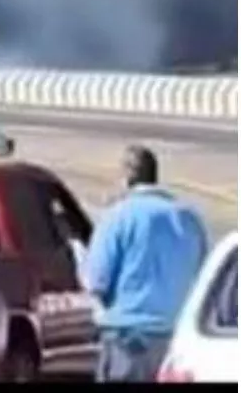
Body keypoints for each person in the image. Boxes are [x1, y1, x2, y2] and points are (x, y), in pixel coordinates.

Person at [85, 145, 209, 383]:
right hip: (176, 340)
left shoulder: (118, 217)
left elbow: (96, 281)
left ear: (126, 178)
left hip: (128, 340)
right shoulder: (189, 219)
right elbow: (204, 278)